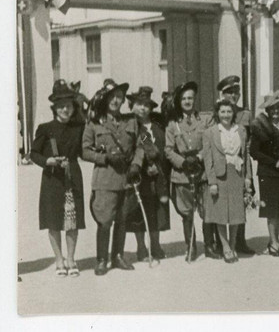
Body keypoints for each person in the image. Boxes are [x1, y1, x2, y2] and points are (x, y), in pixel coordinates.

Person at [30, 80, 87, 277]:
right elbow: (33, 154)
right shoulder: (45, 128)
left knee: (72, 221)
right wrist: (48, 161)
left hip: (72, 177)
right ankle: (59, 260)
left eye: (68, 106)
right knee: (54, 220)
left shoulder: (79, 127)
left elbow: (84, 150)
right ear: (55, 108)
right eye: (61, 106)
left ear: (73, 107)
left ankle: (71, 259)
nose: (65, 109)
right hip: (52, 179)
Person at [81, 79, 137, 275]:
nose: (115, 101)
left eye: (119, 97)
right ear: (105, 100)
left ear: (123, 101)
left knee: (122, 220)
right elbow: (85, 151)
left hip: (126, 180)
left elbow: (143, 141)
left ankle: (118, 256)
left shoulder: (131, 121)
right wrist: (105, 158)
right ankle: (102, 259)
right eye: (112, 97)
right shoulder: (94, 123)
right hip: (105, 180)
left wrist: (137, 165)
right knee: (105, 221)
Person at [164, 81, 216, 261]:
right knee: (186, 213)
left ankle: (209, 246)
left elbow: (210, 143)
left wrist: (200, 157)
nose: (187, 102)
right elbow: (168, 149)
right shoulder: (172, 125)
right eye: (184, 98)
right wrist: (183, 162)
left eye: (190, 98)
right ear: (179, 101)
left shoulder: (205, 119)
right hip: (183, 174)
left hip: (202, 172)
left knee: (207, 210)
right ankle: (191, 247)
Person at [125, 89, 170, 265]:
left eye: (146, 105)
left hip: (159, 174)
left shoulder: (158, 125)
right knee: (139, 211)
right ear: (132, 106)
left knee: (157, 210)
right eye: (139, 105)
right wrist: (144, 167)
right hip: (140, 174)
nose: (143, 109)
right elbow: (129, 151)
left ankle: (156, 245)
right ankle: (141, 246)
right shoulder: (130, 126)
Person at [202, 99, 250, 263]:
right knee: (221, 213)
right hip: (220, 176)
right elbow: (208, 160)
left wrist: (248, 177)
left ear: (233, 113)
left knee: (236, 213)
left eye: (229, 111)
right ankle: (225, 247)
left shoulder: (241, 130)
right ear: (217, 113)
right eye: (222, 111)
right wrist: (212, 182)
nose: (226, 115)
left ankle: (233, 244)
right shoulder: (210, 132)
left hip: (236, 173)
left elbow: (246, 155)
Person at [248, 91, 279, 257]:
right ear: (267, 110)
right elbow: (254, 152)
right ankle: (274, 243)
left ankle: (274, 240)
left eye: (277, 107)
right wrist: (274, 162)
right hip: (268, 172)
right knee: (272, 209)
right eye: (272, 108)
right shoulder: (260, 127)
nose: (275, 111)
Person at [216, 75, 256, 257]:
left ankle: (240, 241)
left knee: (242, 202)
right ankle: (219, 244)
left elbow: (247, 146)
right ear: (222, 94)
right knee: (220, 203)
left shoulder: (245, 114)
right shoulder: (217, 111)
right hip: (222, 165)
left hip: (241, 164)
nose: (233, 95)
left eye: (236, 92)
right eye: (229, 92)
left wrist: (248, 173)